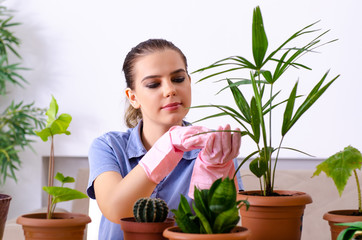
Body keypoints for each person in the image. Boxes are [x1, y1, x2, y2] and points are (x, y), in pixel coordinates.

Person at [87, 39, 243, 240]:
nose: (170, 90)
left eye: (178, 79)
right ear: (133, 97)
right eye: (153, 84)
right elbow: (116, 209)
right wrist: (165, 148)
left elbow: (226, 227)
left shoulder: (213, 147)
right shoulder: (108, 146)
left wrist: (214, 173)